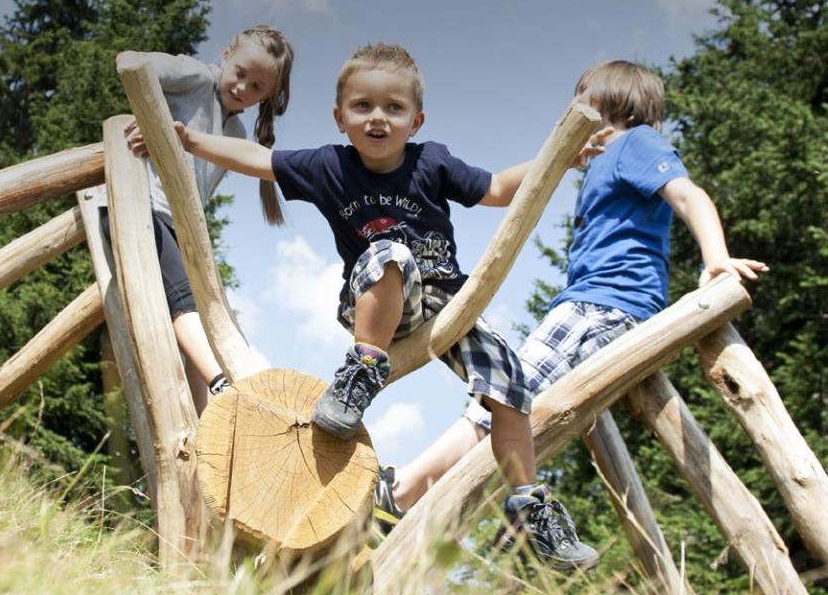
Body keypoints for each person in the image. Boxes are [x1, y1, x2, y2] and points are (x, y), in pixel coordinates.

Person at [130, 42, 596, 569]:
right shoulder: (331, 166)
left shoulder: (433, 162)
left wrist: (556, 160)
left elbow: (495, 188)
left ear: (415, 120)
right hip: (372, 302)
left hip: (445, 304)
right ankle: (363, 368)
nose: (378, 118)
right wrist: (190, 139)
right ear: (340, 117)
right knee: (388, 253)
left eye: (393, 108)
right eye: (363, 107)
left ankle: (532, 507)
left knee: (511, 389)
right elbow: (259, 160)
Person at [371, 59, 768, 569]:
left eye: (581, 99)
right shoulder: (605, 161)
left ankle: (401, 492)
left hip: (600, 306)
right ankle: (451, 512)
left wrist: (715, 259)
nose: (571, 111)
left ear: (609, 103)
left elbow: (688, 194)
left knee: (501, 394)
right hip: (594, 305)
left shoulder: (635, 143)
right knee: (516, 406)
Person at [117, 25, 294, 414]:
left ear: (267, 96)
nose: (243, 88)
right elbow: (130, 64)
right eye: (241, 73)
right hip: (143, 208)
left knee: (200, 318)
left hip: (178, 225)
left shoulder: (235, 130)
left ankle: (206, 423)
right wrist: (152, 122)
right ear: (227, 54)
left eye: (257, 87)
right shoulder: (195, 77)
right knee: (185, 305)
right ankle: (223, 387)